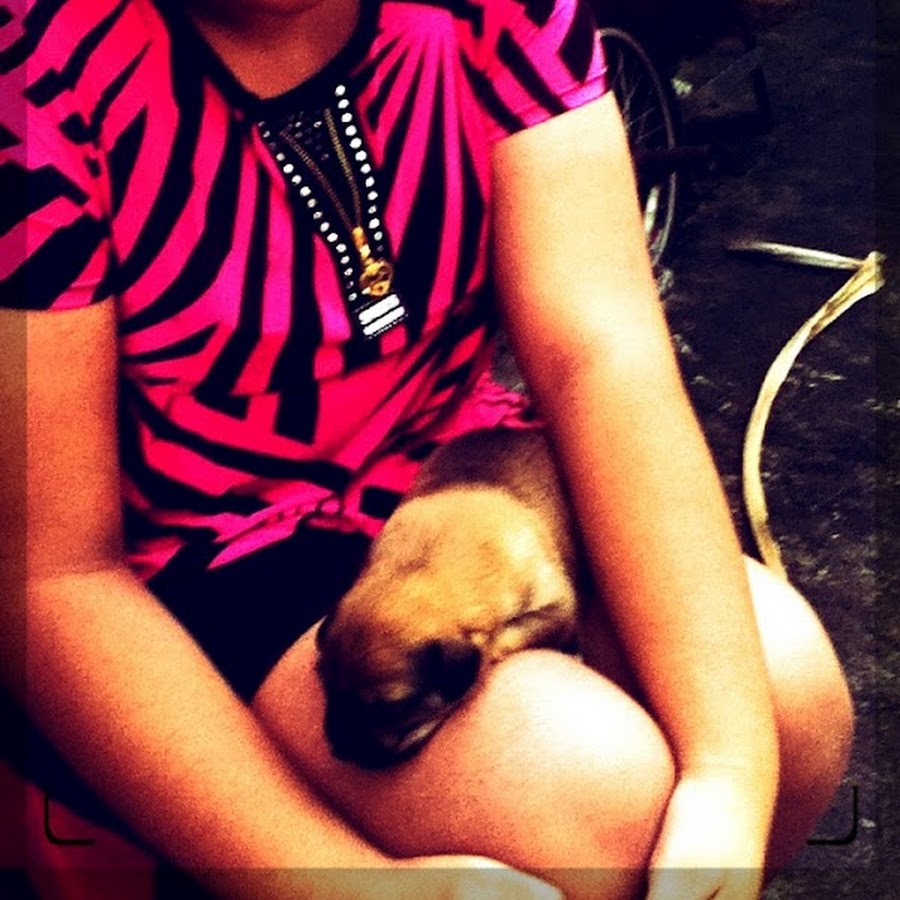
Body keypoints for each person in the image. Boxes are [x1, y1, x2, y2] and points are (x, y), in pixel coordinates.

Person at [0, 0, 854, 898]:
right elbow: (49, 572)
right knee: (590, 806)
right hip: (188, 546)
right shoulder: (36, 59)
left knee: (783, 700)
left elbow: (598, 356)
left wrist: (728, 767)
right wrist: (338, 882)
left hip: (444, 462)